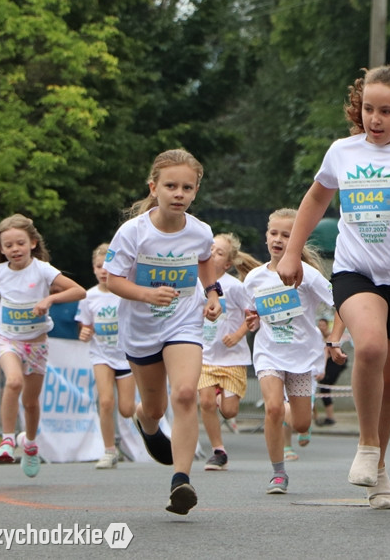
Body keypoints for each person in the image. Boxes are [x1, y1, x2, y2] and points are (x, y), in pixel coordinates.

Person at [276, 64, 390, 510]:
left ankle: (379, 472)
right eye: (367, 109)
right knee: (372, 349)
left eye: (385, 111)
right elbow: (316, 198)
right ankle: (365, 446)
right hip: (355, 272)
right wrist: (291, 253)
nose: (374, 119)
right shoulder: (342, 151)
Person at [102, 149, 222, 515]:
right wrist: (146, 294)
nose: (179, 193)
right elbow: (112, 281)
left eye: (187, 187)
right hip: (141, 328)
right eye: (171, 186)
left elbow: (205, 262)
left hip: (184, 321)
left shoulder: (200, 232)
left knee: (185, 393)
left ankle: (180, 481)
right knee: (155, 406)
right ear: (154, 188)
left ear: (196, 191)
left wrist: (213, 293)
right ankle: (147, 422)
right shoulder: (134, 233)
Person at [0, 214, 87, 478]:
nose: (14, 249)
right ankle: (7, 439)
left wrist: (50, 301)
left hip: (36, 344)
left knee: (31, 403)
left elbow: (79, 291)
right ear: (1, 249)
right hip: (7, 339)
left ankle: (29, 443)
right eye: (8, 246)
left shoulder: (42, 270)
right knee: (14, 382)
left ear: (32, 243)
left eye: (20, 243)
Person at [243, 208, 338, 495]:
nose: (278, 239)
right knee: (272, 408)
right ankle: (278, 473)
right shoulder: (255, 278)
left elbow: (341, 304)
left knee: (300, 423)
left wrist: (334, 339)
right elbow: (252, 313)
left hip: (302, 355)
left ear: (297, 238)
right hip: (269, 352)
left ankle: (301, 421)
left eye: (286, 234)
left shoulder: (307, 275)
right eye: (274, 233)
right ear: (266, 236)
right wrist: (253, 320)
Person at [198, 233, 261, 471]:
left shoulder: (235, 287)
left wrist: (238, 334)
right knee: (205, 403)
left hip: (232, 358)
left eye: (219, 252)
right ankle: (218, 450)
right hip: (205, 355)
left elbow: (253, 313)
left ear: (227, 264)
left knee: (229, 410)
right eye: (211, 249)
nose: (213, 254)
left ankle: (218, 396)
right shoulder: (197, 284)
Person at [76, 242, 136, 469]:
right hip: (101, 355)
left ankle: (143, 424)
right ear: (93, 269)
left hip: (126, 356)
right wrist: (84, 332)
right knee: (106, 402)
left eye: (107, 266)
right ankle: (109, 450)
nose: (103, 271)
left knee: (127, 409)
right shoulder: (88, 297)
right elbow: (85, 325)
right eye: (99, 266)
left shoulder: (125, 292)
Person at [314, 311, 349, 426]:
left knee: (324, 388)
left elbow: (325, 354)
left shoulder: (329, 337)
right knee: (320, 389)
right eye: (319, 325)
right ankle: (318, 417)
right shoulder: (317, 337)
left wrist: (322, 370)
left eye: (323, 325)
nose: (321, 327)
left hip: (336, 362)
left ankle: (330, 417)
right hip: (328, 362)